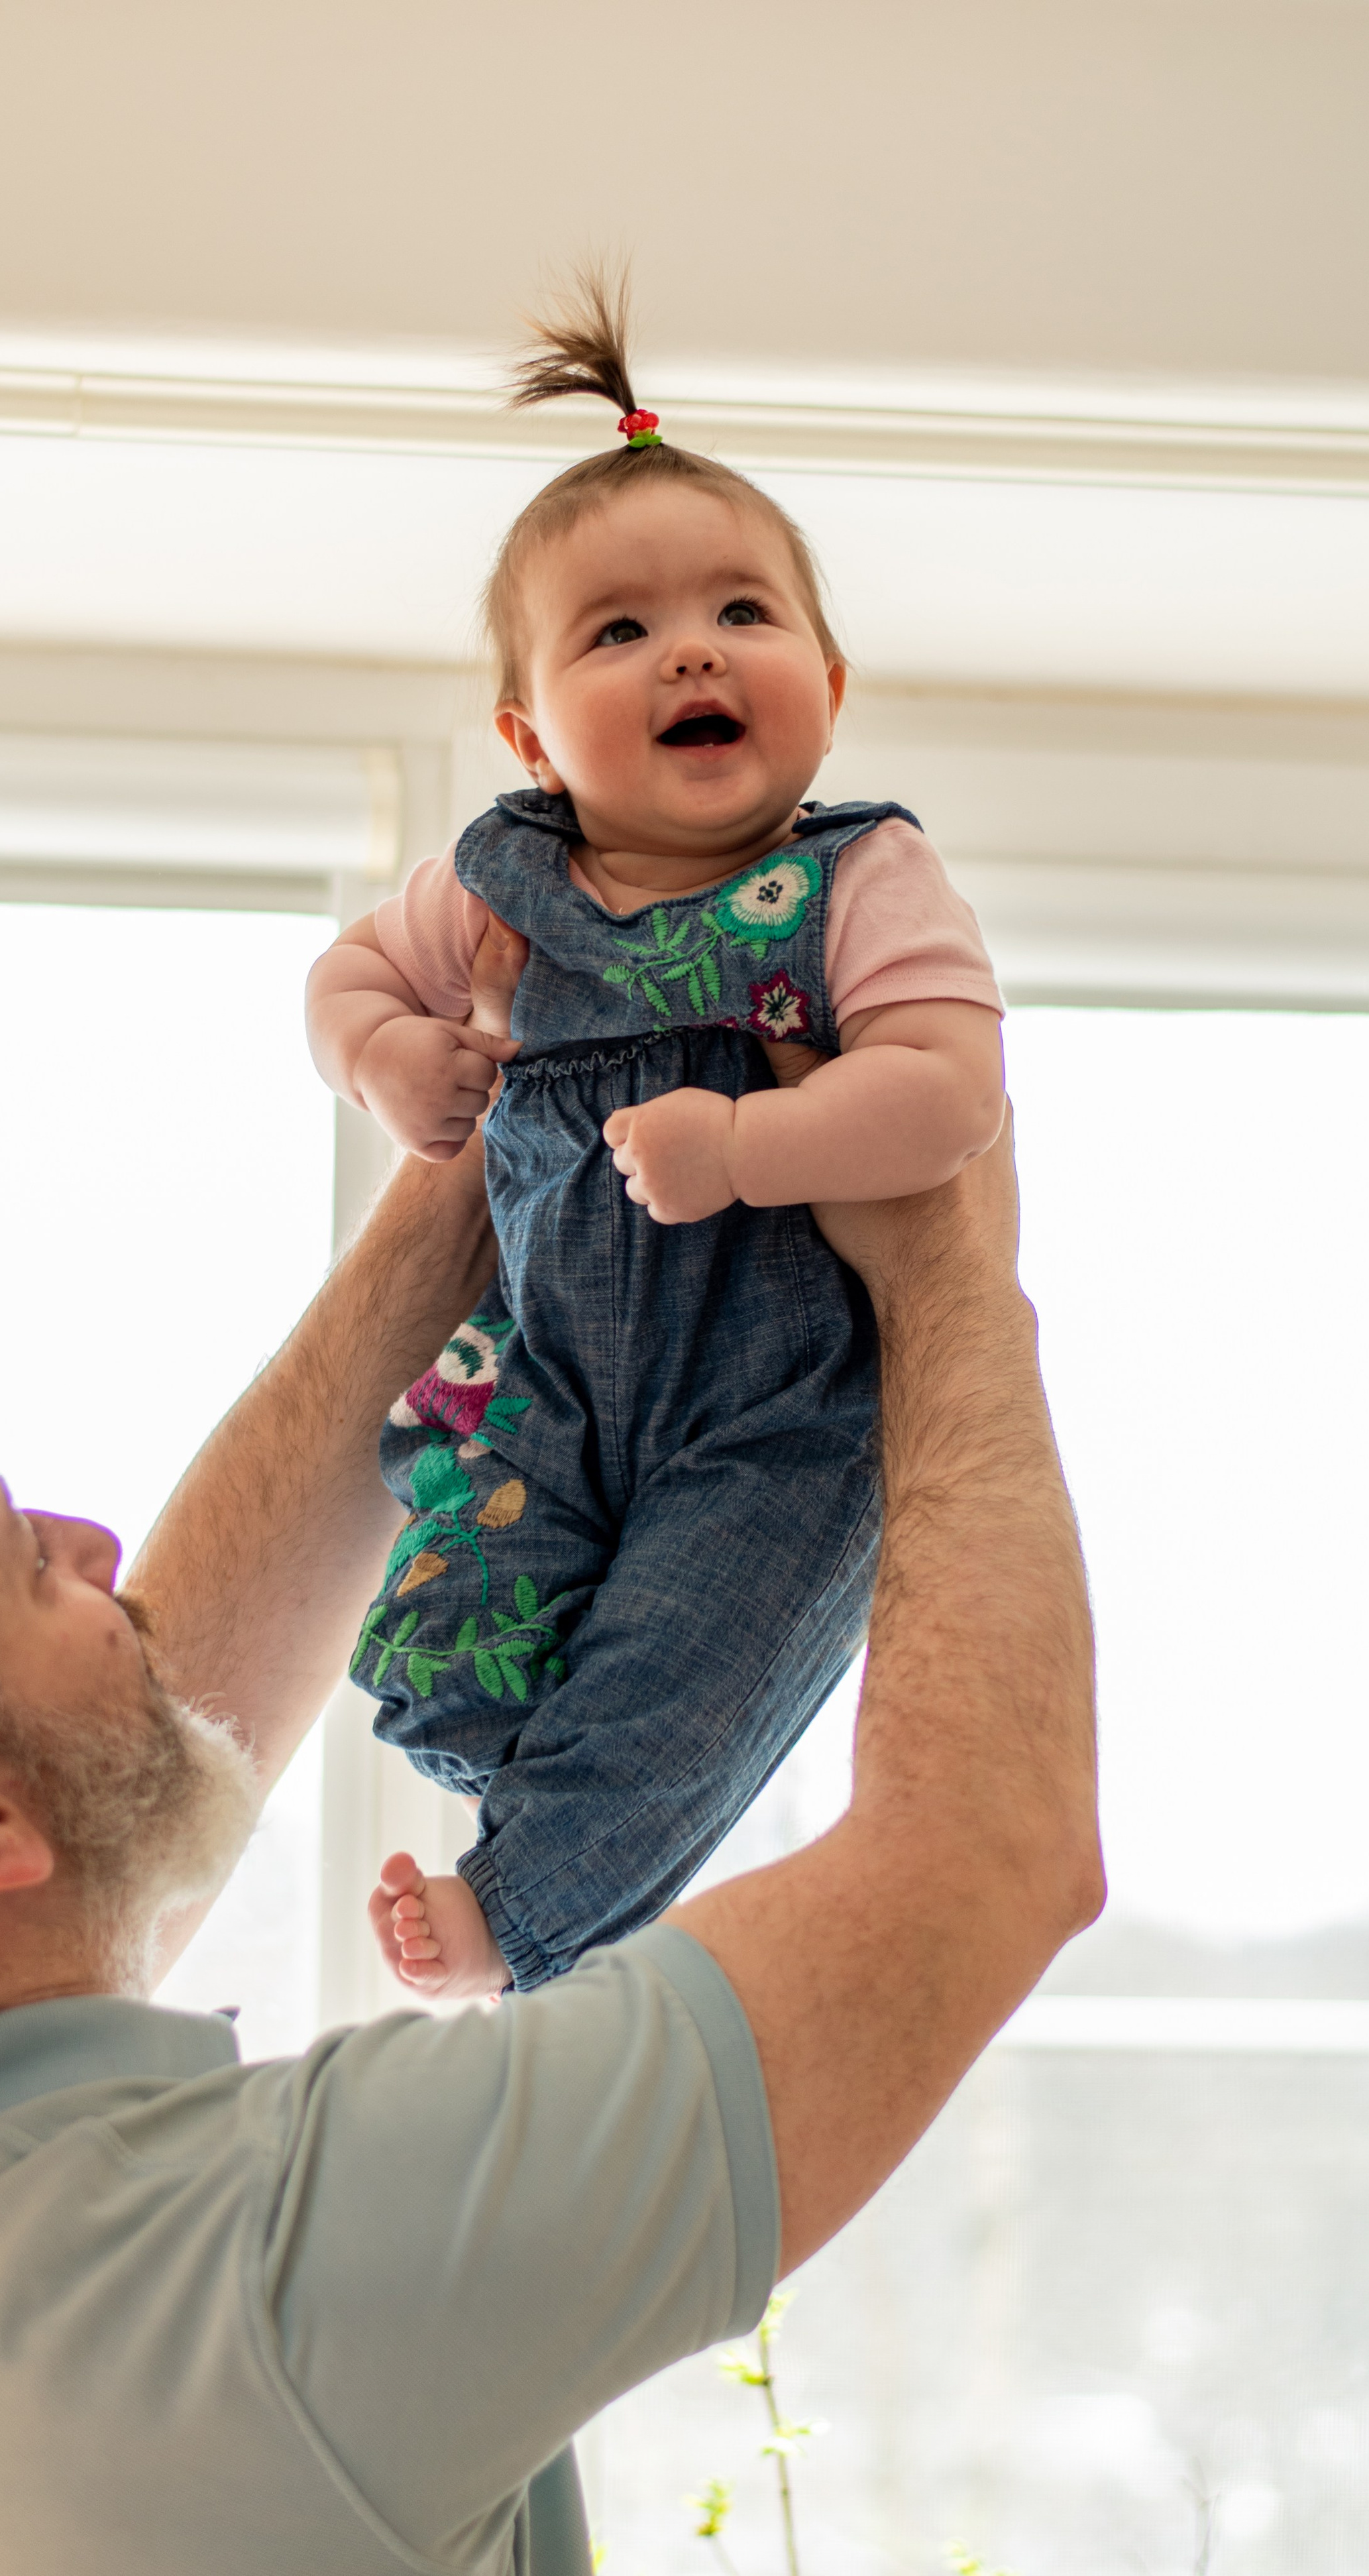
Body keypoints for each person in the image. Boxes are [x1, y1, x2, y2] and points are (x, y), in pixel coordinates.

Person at [0, 1006, 1099, 2575]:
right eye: (29, 1563)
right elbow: (982, 1857)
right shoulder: (275, 2273)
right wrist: (948, 1280)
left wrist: (476, 1176)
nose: (98, 1544)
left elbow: (133, 1722)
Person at [307, 271, 1006, 2000]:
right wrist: (388, 1059)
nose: (689, 649)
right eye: (616, 632)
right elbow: (340, 980)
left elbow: (947, 1091)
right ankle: (546, 1798)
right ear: (530, 734)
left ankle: (525, 1904)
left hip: (777, 1406)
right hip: (543, 1376)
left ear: (823, 682)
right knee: (444, 1649)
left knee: (694, 1667)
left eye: (738, 611)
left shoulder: (853, 876)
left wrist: (752, 1149)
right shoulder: (500, 877)